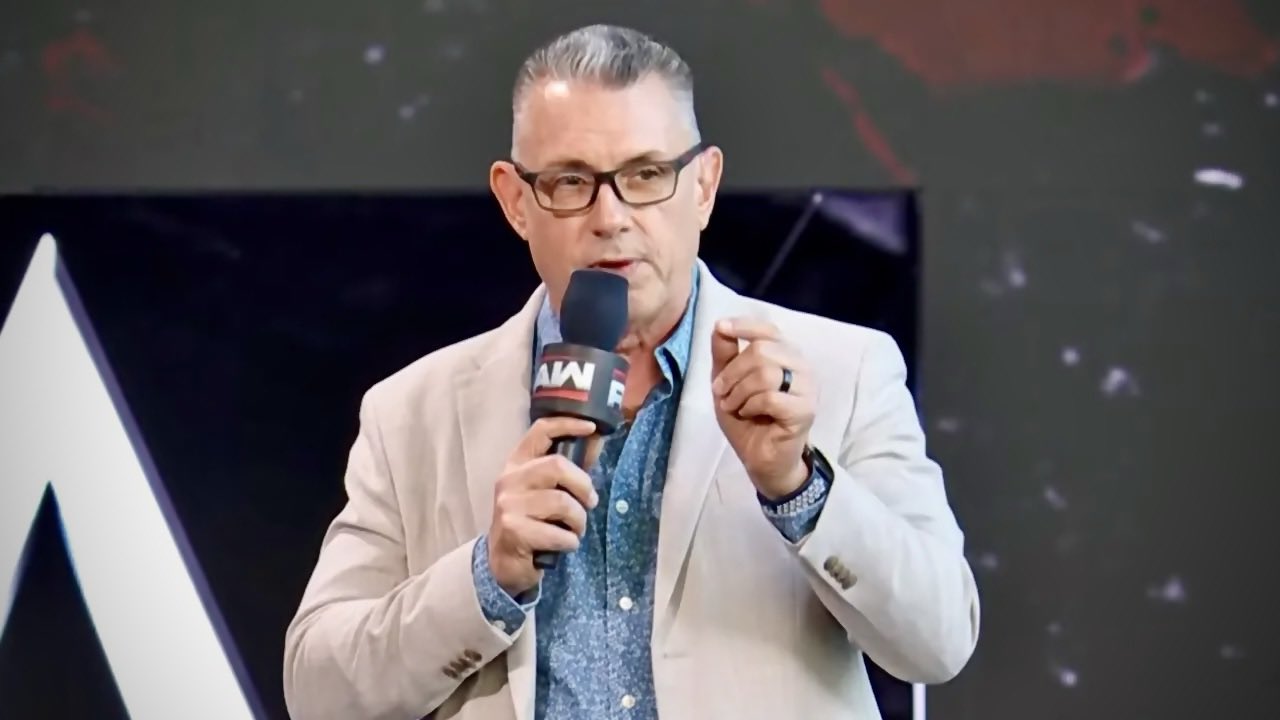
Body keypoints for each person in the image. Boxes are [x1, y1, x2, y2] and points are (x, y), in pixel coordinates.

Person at [283, 23, 979, 720]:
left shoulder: (844, 371)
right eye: (570, 181)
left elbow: (941, 641)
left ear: (703, 186)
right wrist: (485, 577)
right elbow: (317, 692)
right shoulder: (411, 411)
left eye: (646, 174)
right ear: (516, 201)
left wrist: (799, 488)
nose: (610, 217)